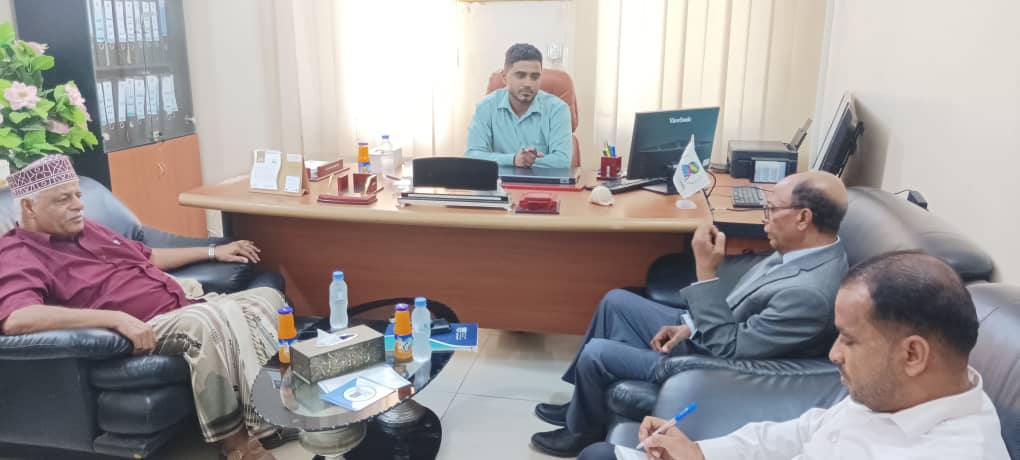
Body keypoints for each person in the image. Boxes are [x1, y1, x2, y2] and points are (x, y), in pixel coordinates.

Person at [531, 171, 851, 457]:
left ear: (803, 218)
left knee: (597, 354)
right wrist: (689, 324)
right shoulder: (805, 251)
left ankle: (581, 432)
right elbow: (740, 306)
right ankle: (581, 407)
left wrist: (705, 272)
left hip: (712, 366)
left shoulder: (809, 294)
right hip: (708, 332)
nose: (763, 219)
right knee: (616, 302)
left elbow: (730, 349)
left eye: (771, 209)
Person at [578, 251, 1009, 460]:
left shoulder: (954, 451)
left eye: (849, 340)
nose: (834, 354)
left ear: (912, 354)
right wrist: (701, 453)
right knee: (602, 456)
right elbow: (800, 432)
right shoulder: (896, 392)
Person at [0, 155, 286, 460]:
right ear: (29, 207)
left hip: (184, 304)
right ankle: (238, 444)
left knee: (267, 299)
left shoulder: (86, 229)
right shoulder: (17, 252)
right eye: (63, 199)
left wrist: (214, 251)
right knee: (209, 320)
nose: (78, 205)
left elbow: (147, 257)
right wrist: (113, 319)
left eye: (77, 195)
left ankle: (274, 412)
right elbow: (17, 318)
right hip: (142, 326)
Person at [465, 43, 572, 169]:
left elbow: (562, 161)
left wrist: (525, 160)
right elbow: (472, 156)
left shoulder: (558, 109)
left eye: (535, 77)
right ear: (504, 77)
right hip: (499, 181)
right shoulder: (486, 107)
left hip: (542, 181)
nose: (528, 83)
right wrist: (513, 159)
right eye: (520, 75)